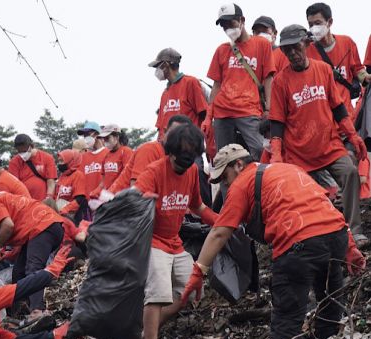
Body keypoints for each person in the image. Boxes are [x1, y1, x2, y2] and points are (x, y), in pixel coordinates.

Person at [180, 144, 366, 339]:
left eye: (225, 177)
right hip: (334, 237)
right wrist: (349, 248)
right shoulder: (290, 170)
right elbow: (325, 205)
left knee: (287, 320)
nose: (226, 185)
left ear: (239, 165)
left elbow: (219, 233)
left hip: (298, 245)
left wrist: (198, 272)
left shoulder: (242, 183)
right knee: (329, 302)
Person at [269, 24, 369, 248]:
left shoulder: (323, 69)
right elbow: (277, 123)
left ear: (306, 44)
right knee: (301, 195)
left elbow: (339, 108)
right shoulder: (280, 82)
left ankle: (355, 230)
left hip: (329, 145)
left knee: (350, 172)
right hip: (298, 152)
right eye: (287, 50)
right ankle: (316, 236)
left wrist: (353, 136)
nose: (292, 53)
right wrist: (277, 154)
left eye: (296, 47)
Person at [133, 122, 218, 339]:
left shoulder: (191, 171)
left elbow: (197, 205)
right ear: (169, 153)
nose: (182, 168)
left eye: (188, 163)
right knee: (158, 293)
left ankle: (139, 331)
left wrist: (220, 221)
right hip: (152, 242)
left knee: (188, 293)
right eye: (178, 162)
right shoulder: (153, 172)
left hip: (174, 242)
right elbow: (134, 204)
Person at [0, 184, 64, 320]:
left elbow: (8, 226)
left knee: (33, 268)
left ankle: (38, 311)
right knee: (18, 271)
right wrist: (13, 251)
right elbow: (20, 221)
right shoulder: (3, 197)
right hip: (47, 227)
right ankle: (21, 309)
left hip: (43, 226)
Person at [205, 3, 275, 160]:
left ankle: (261, 182)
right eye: (224, 26)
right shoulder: (222, 50)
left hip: (249, 110)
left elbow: (268, 78)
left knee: (259, 150)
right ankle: (228, 186)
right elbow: (216, 85)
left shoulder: (261, 44)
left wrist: (269, 109)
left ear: (242, 20)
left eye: (231, 23)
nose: (228, 28)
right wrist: (209, 116)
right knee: (224, 158)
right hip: (222, 113)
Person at [305, 3, 371, 118]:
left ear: (329, 22)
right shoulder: (306, 51)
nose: (314, 28)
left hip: (347, 117)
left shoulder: (347, 43)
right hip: (321, 119)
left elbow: (357, 69)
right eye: (310, 24)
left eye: (318, 23)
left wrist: (365, 77)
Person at [149, 48, 208, 141]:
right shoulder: (165, 93)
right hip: (168, 147)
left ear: (165, 65)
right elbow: (160, 126)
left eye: (158, 66)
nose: (156, 71)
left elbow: (204, 114)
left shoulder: (190, 82)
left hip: (188, 143)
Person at [8, 134, 56, 201]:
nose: (23, 154)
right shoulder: (14, 162)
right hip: (25, 201)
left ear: (32, 146)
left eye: (24, 151)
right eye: (20, 152)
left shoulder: (47, 158)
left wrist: (49, 197)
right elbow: (14, 185)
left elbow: (51, 182)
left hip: (43, 200)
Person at [76, 121, 109, 200]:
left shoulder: (108, 154)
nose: (85, 138)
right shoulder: (82, 157)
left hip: (105, 201)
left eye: (88, 134)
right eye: (84, 135)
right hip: (88, 202)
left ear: (97, 135)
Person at [55, 149, 87, 224]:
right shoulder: (62, 176)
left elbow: (80, 199)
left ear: (70, 161)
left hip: (73, 215)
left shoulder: (78, 175)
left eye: (62, 161)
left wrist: (65, 209)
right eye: (59, 161)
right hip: (61, 213)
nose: (60, 164)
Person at [98, 124, 133, 191]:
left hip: (122, 195)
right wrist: (98, 191)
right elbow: (103, 180)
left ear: (116, 137)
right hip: (108, 196)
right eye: (104, 139)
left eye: (107, 138)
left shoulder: (126, 151)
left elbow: (128, 175)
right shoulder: (106, 156)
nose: (105, 141)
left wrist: (114, 190)